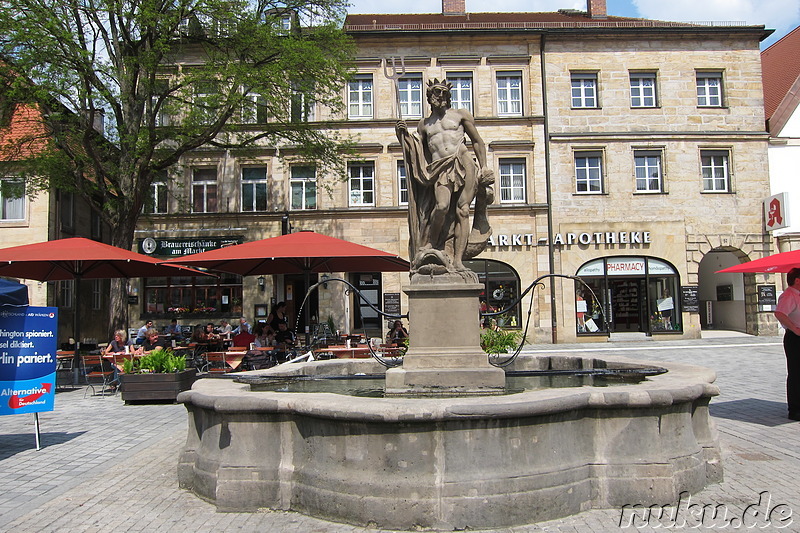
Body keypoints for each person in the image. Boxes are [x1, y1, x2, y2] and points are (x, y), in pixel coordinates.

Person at [396, 77, 494, 278]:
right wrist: (402, 136)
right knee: (441, 206)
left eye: (442, 92)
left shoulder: (460, 115)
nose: (438, 96)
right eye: (434, 93)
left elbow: (478, 142)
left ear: (448, 96)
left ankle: (457, 260)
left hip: (463, 161)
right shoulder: (424, 125)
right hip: (439, 168)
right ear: (429, 97)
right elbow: (416, 152)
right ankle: (431, 244)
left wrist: (484, 167)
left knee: (463, 211)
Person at [774, 267, 800, 421]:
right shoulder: (789, 295)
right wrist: (795, 329)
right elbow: (780, 313)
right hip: (795, 339)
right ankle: (795, 409)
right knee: (796, 373)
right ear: (797, 280)